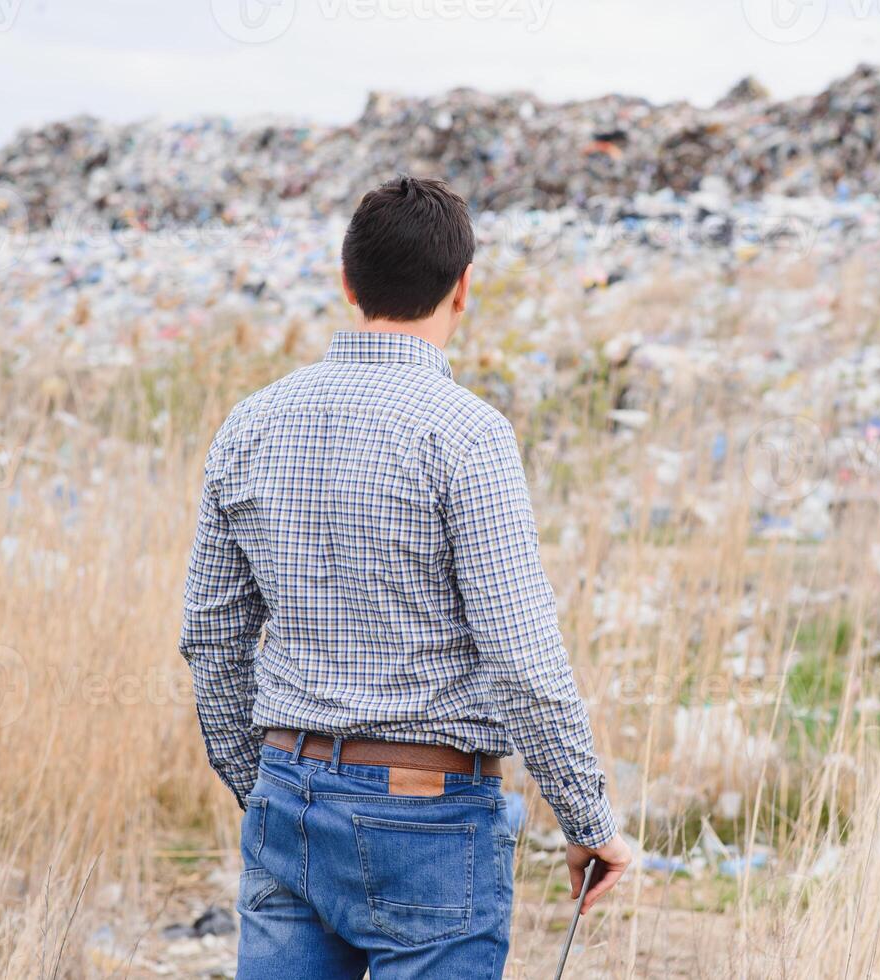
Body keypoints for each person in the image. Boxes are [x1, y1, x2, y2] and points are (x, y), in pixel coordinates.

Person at [179, 175, 631, 979]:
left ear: (347, 284)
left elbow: (210, 637)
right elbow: (523, 659)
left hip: (288, 801)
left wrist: (263, 787)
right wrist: (587, 818)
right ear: (463, 291)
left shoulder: (249, 423)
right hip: (428, 823)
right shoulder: (469, 437)